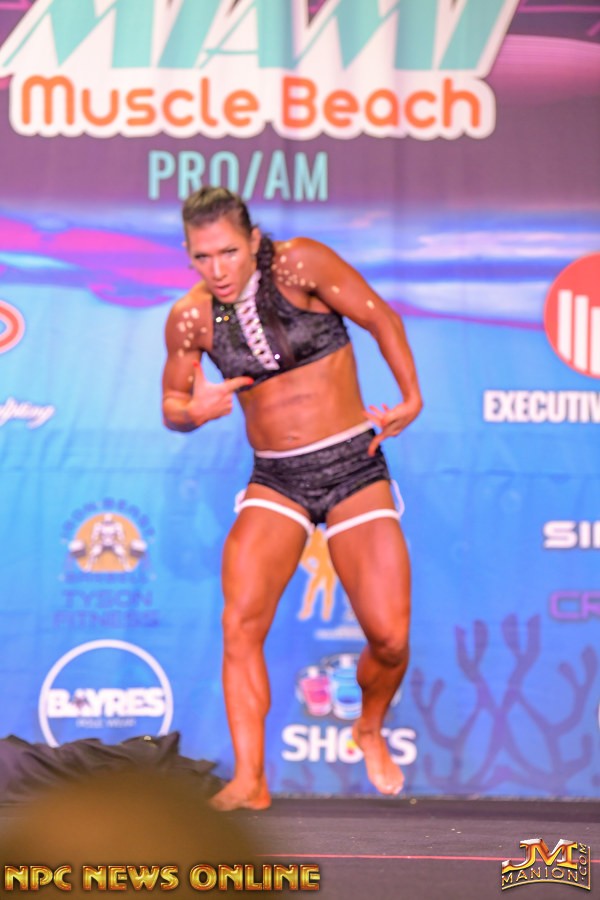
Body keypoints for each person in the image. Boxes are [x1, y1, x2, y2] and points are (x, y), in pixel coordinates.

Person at [162, 187, 423, 811]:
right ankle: (250, 780)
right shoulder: (191, 317)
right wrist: (192, 412)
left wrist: (411, 397)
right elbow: (172, 403)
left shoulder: (301, 264)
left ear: (253, 240)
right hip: (277, 478)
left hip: (352, 465)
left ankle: (368, 727)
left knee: (389, 638)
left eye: (228, 252)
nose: (217, 269)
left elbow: (381, 317)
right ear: (189, 255)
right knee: (239, 623)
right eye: (202, 256)